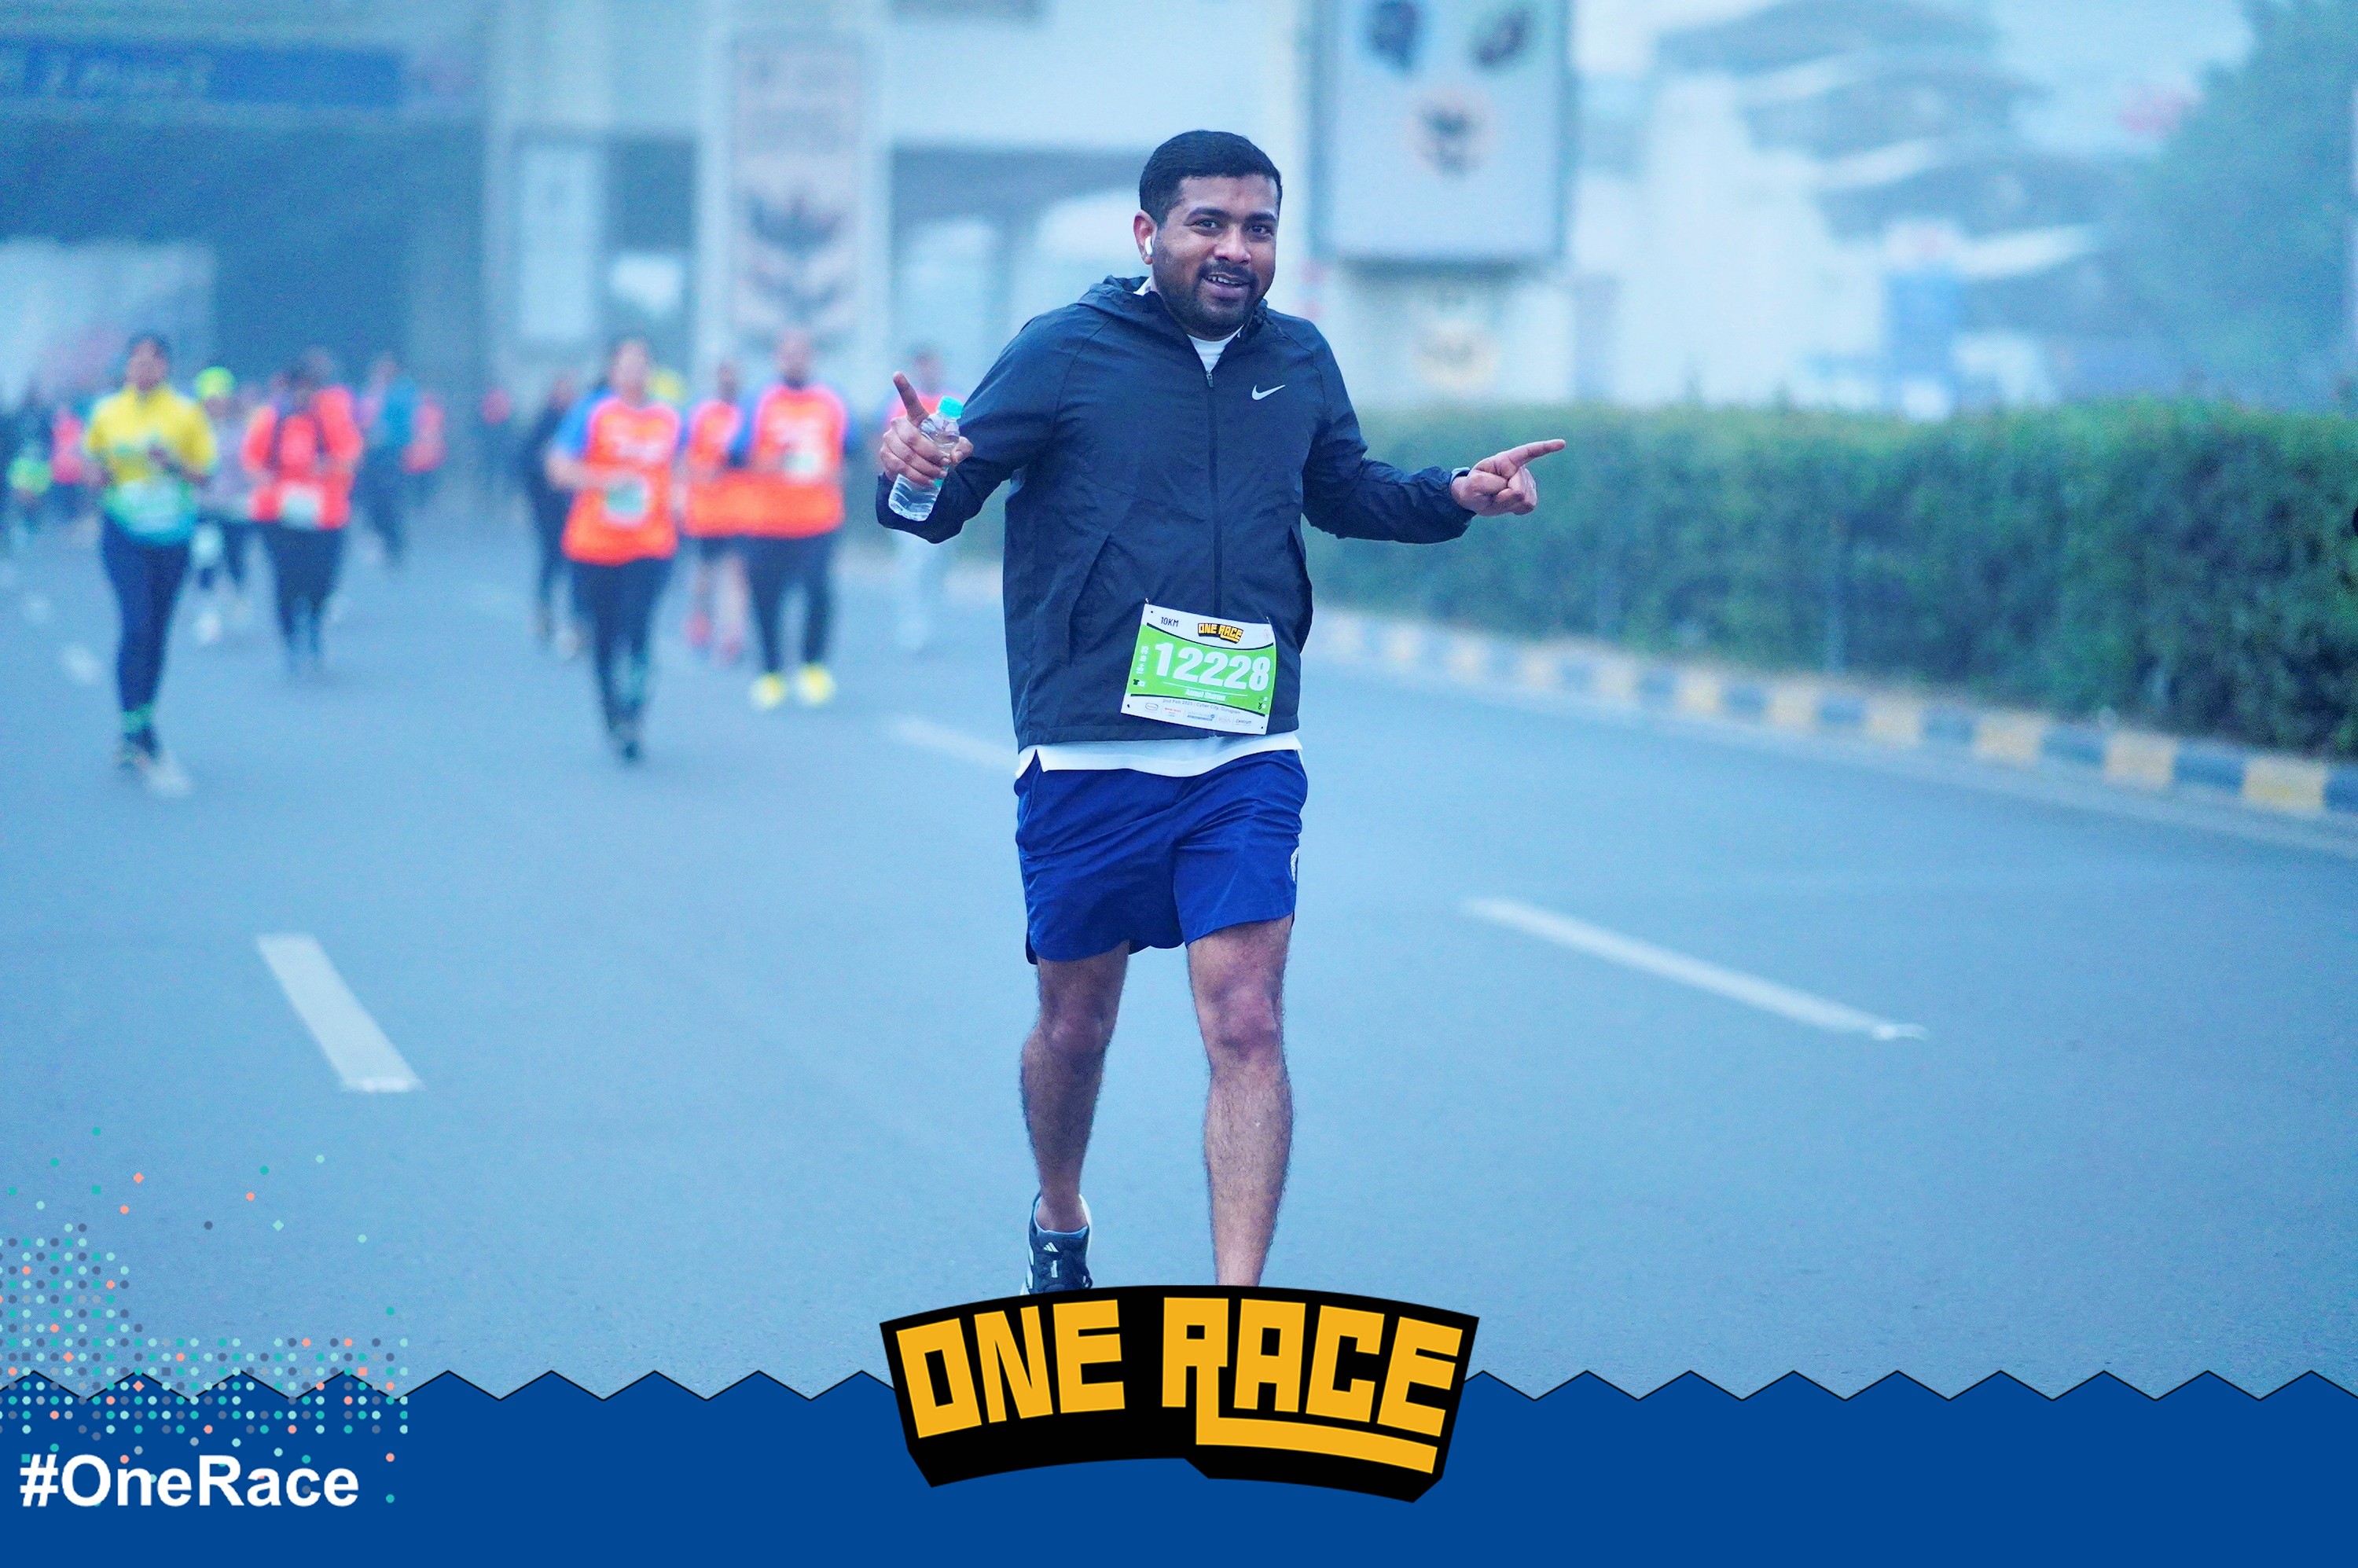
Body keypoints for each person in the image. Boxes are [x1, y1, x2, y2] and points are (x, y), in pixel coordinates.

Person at [877, 130, 1563, 1292]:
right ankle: (1060, 1211)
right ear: (1150, 233)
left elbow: (1345, 491)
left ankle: (1234, 1312)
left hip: (1246, 745)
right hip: (1089, 745)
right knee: (1077, 1023)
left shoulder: (1296, 357)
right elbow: (938, 503)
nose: (1237, 248)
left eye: (1259, 228)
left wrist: (1455, 494)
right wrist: (913, 470)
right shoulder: (1063, 351)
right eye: (1210, 224)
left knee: (1247, 1020)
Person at [83, 332, 216, 795]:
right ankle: (131, 726)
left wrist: (172, 463)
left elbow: (205, 475)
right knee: (136, 623)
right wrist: (99, 475)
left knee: (157, 631)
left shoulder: (186, 413)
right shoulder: (106, 413)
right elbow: (91, 467)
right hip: (124, 532)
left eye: (152, 360)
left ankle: (143, 719)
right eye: (136, 360)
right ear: (126, 367)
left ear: (166, 366)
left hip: (172, 533)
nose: (143, 368)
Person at [545, 336, 682, 761]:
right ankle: (612, 713)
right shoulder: (592, 412)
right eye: (626, 364)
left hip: (650, 542)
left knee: (638, 626)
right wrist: (605, 480)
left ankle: (634, 716)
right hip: (596, 544)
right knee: (605, 634)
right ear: (612, 370)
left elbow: (685, 468)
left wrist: (684, 499)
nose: (635, 372)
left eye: (642, 364)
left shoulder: (668, 417)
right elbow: (558, 469)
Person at [733, 329, 853, 709]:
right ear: (778, 358)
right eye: (788, 353)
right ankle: (770, 672)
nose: (795, 359)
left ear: (811, 357)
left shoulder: (831, 400)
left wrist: (835, 472)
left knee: (818, 591)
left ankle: (812, 666)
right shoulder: (758, 400)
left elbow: (849, 455)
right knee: (766, 597)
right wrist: (775, 461)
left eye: (802, 352)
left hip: (818, 518)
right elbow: (736, 455)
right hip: (767, 520)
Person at [245, 358, 364, 670]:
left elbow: (351, 457)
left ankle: (314, 622)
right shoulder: (270, 420)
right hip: (279, 514)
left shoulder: (333, 418)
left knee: (321, 577)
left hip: (325, 514)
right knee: (286, 577)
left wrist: (329, 466)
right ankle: (289, 637)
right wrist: (266, 477)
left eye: (308, 388)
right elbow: (252, 461)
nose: (302, 395)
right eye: (296, 388)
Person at [883, 346, 964, 653]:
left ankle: (930, 616)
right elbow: (885, 445)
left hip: (946, 498)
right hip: (911, 495)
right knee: (914, 563)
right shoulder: (900, 404)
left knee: (938, 562)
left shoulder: (959, 405)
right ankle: (913, 626)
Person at [681, 358, 754, 665]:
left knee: (737, 574)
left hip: (741, 510)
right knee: (705, 573)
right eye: (724, 376)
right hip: (707, 510)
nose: (729, 382)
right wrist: (699, 474)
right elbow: (682, 458)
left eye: (734, 376)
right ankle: (700, 619)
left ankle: (732, 636)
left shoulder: (749, 413)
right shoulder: (701, 414)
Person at [189, 366, 256, 644]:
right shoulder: (191, 432)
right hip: (203, 508)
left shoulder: (242, 430)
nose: (215, 405)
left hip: (235, 508)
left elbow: (251, 467)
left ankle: (239, 594)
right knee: (205, 560)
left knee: (235, 558)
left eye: (220, 399)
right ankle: (208, 614)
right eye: (210, 399)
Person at [517, 372, 581, 651]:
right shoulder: (543, 424)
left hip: (575, 508)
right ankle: (543, 612)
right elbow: (525, 462)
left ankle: (577, 620)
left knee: (577, 563)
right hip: (548, 507)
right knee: (551, 560)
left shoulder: (578, 423)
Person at [356, 351, 418, 567]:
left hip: (390, 453)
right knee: (371, 499)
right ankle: (379, 536)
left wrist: (386, 437)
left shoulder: (403, 392)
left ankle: (394, 544)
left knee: (389, 499)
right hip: (370, 453)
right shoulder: (370, 391)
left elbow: (405, 425)